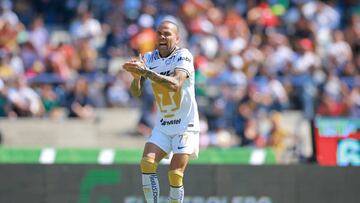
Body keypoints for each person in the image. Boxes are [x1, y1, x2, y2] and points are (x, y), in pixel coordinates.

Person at [123, 20, 200, 203]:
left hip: (185, 126)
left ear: (177, 38)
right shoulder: (149, 58)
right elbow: (136, 92)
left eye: (167, 34)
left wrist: (147, 73)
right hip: (164, 125)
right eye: (159, 33)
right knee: (147, 163)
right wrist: (136, 78)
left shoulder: (184, 55)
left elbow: (176, 84)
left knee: (175, 173)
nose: (162, 37)